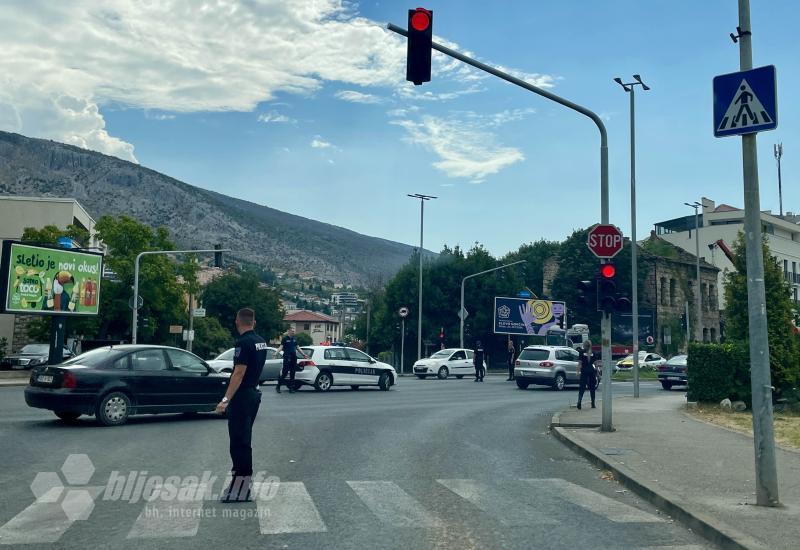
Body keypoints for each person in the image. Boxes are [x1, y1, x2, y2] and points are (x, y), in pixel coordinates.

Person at [215, 308, 268, 502]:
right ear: (253, 322)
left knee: (239, 443)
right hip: (253, 394)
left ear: (237, 321)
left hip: (243, 396)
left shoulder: (243, 343)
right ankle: (239, 483)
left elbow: (238, 374)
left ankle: (242, 487)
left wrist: (225, 400)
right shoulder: (261, 341)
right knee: (243, 441)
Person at [275, 327, 307, 393]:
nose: (293, 332)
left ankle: (291, 388)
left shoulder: (294, 339)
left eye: (293, 331)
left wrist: (304, 354)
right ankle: (278, 386)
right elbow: (281, 347)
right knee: (285, 372)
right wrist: (276, 353)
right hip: (287, 357)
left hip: (293, 357)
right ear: (288, 331)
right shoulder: (285, 339)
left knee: (293, 373)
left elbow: (298, 348)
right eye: (292, 331)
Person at [577, 340, 597, 410]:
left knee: (582, 387)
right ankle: (593, 403)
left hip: (584, 371)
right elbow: (596, 364)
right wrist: (598, 373)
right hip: (591, 371)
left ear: (584, 345)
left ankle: (579, 402)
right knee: (592, 388)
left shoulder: (581, 352)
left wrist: (578, 372)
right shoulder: (593, 353)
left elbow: (580, 363)